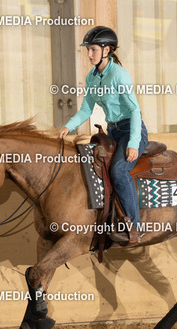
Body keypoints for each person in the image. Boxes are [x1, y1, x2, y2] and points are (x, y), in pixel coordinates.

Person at [59, 26, 148, 243]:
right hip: (113, 132)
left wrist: (133, 142)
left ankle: (135, 227)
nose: (89, 54)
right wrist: (68, 127)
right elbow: (86, 109)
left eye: (93, 50)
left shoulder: (119, 75)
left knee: (119, 171)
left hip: (131, 130)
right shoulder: (92, 77)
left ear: (107, 50)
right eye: (88, 50)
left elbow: (135, 110)